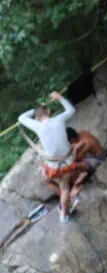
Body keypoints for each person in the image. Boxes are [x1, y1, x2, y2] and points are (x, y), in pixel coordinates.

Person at [17, 91, 82, 223]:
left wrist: (34, 111)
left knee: (49, 179)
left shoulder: (37, 125)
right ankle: (65, 205)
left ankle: (64, 211)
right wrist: (59, 98)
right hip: (68, 162)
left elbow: (21, 118)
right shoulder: (59, 119)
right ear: (48, 112)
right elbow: (71, 110)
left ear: (36, 117)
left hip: (53, 167)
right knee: (64, 186)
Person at [66, 127, 105, 203]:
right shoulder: (82, 133)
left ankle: (77, 185)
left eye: (69, 141)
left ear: (71, 139)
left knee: (73, 166)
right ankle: (80, 177)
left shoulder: (85, 143)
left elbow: (76, 159)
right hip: (91, 156)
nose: (69, 143)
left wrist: (75, 149)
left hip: (98, 159)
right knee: (71, 165)